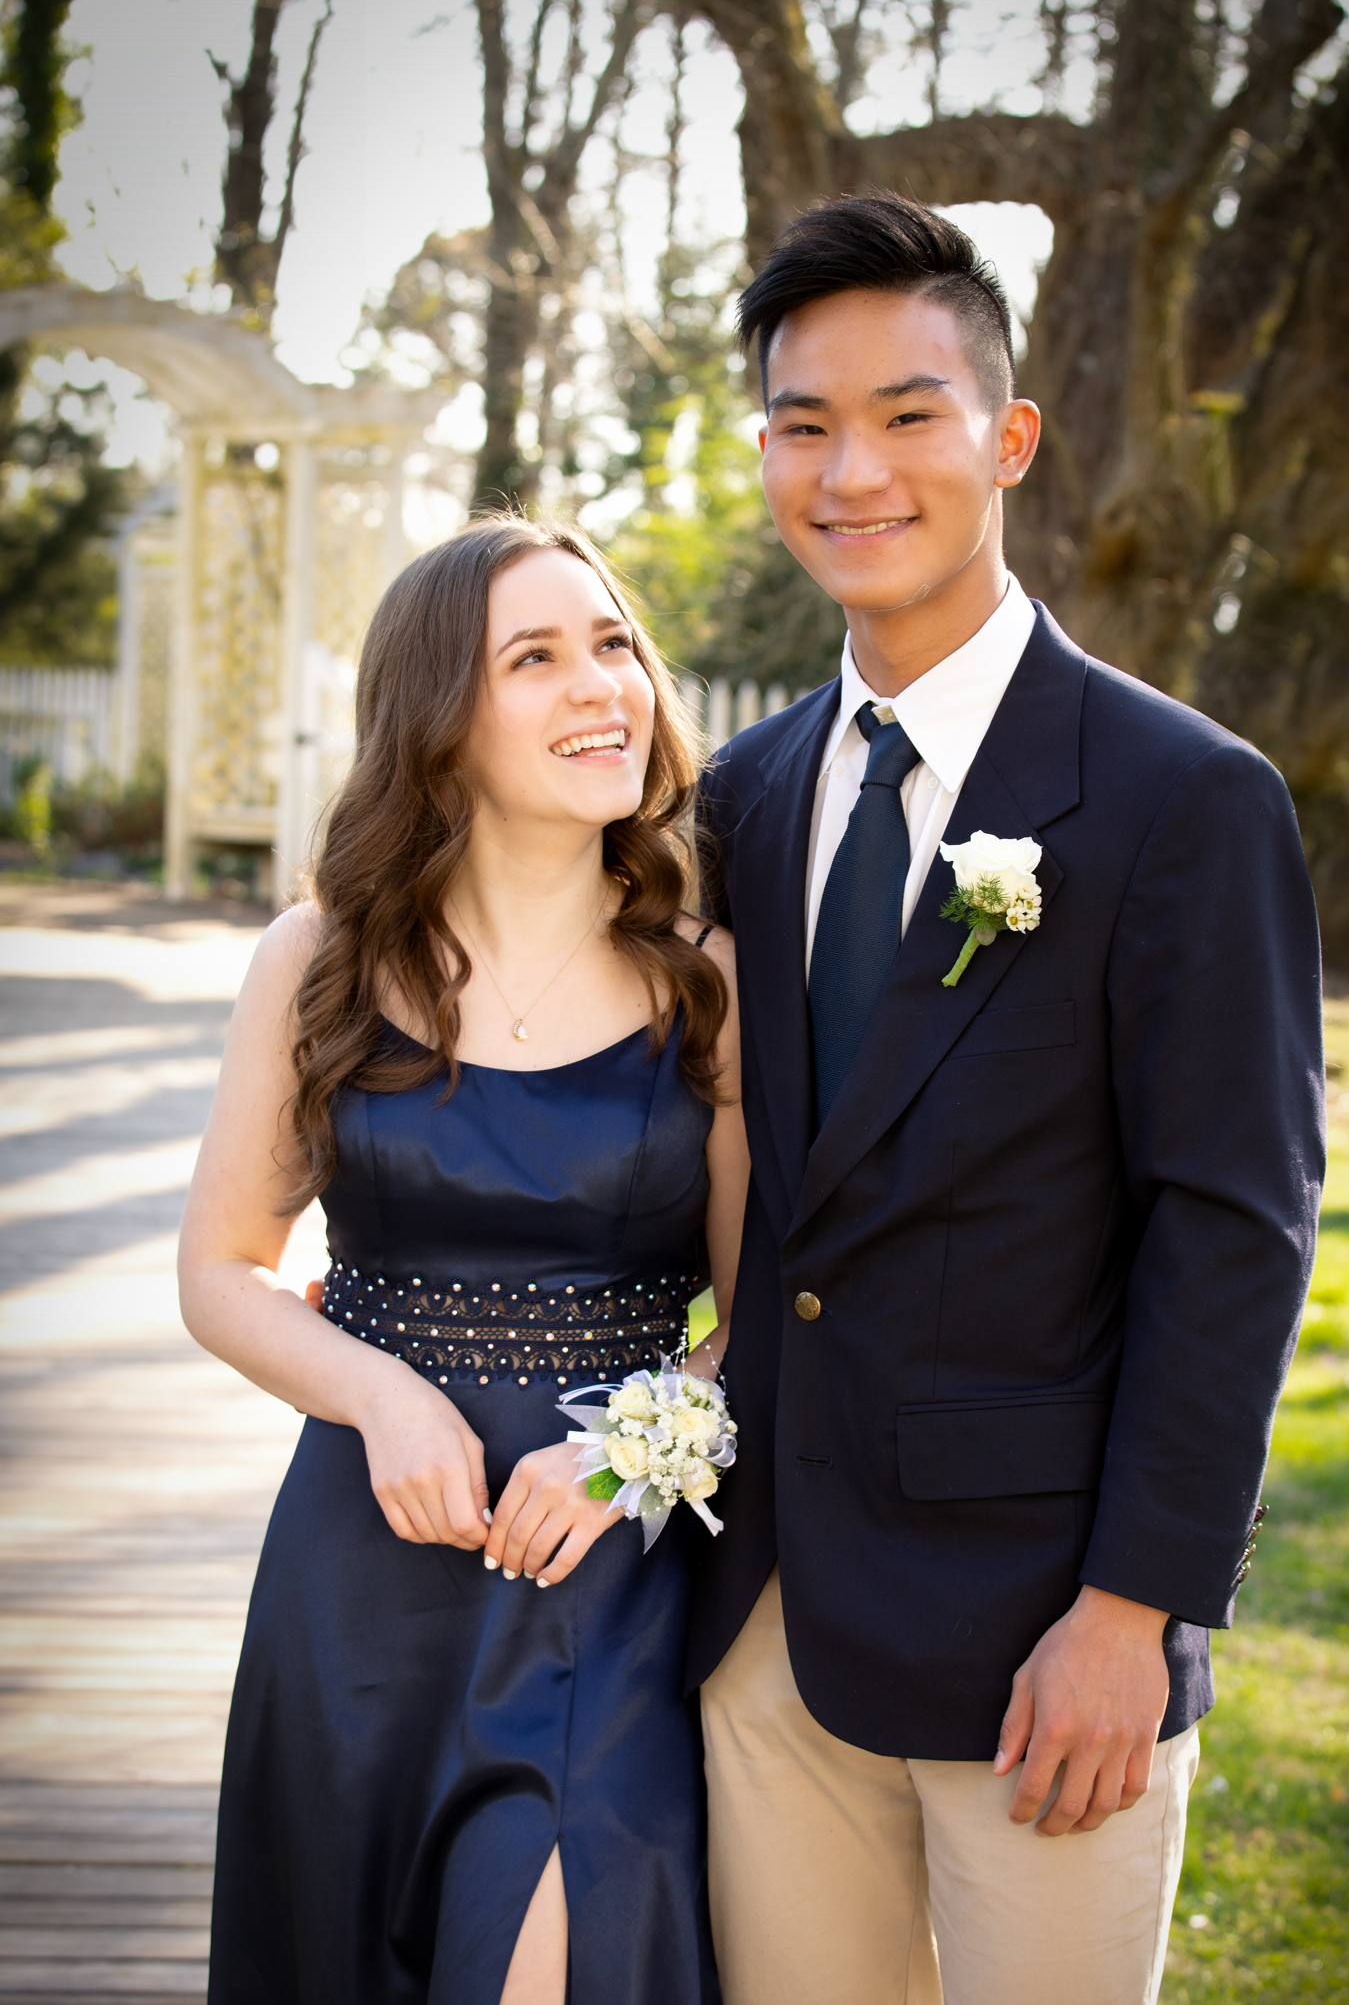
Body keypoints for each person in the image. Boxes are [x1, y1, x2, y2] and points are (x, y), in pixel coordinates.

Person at [691, 193, 1324, 2005]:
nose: (850, 470)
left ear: (1007, 440)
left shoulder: (1174, 798)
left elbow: (1233, 1228)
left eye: (906, 415)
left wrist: (1136, 1613)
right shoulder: (736, 796)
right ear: (763, 455)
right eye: (803, 426)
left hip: (1050, 1649)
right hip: (765, 1627)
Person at [179, 516, 746, 2005]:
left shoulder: (709, 976)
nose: (601, 688)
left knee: (555, 1942)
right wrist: (381, 1398)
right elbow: (224, 1269)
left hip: (598, 1569)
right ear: (440, 720)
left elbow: (763, 1325)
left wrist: (628, 1453)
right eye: (537, 658)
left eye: (613, 644)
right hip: (365, 1568)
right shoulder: (317, 959)